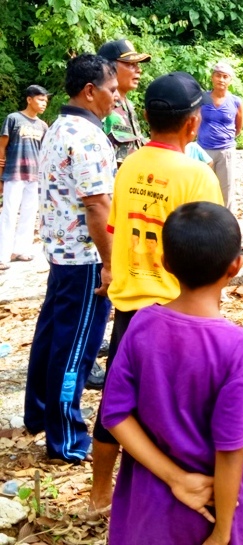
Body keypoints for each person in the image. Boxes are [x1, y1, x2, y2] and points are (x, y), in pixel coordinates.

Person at [101, 201, 243, 545]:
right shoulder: (238, 349)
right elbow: (230, 448)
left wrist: (174, 478)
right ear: (236, 266)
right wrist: (222, 531)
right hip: (209, 512)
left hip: (147, 504)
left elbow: (114, 414)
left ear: (165, 263)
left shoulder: (141, 325)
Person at [89, 72, 224, 512]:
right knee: (177, 410)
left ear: (145, 117)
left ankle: (99, 494)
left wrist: (113, 270)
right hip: (177, 308)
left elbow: (117, 228)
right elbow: (211, 253)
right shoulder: (197, 175)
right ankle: (180, 491)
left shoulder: (128, 165)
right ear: (193, 124)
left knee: (116, 405)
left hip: (129, 309)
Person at [23, 54, 119, 464]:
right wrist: (111, 263)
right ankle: (66, 439)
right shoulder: (86, 135)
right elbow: (98, 205)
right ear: (90, 91)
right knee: (76, 346)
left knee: (52, 335)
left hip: (62, 254)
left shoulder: (58, 127)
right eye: (112, 91)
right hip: (85, 260)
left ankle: (39, 414)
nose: (116, 98)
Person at [0, 85, 49, 270]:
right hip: (14, 172)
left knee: (29, 213)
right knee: (9, 213)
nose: (43, 104)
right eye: (40, 100)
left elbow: (44, 152)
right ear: (29, 99)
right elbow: (2, 147)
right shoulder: (13, 119)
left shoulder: (43, 126)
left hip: (34, 175)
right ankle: (2, 256)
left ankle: (21, 250)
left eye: (45, 101)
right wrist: (0, 176)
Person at [198, 61, 243, 209]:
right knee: (203, 188)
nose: (221, 80)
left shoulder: (236, 102)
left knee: (226, 190)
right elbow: (195, 120)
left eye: (225, 77)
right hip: (203, 150)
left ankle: (226, 225)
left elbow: (238, 127)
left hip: (226, 151)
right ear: (212, 77)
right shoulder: (202, 98)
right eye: (218, 76)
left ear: (230, 80)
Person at [97, 39, 151, 165]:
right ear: (108, 68)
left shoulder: (128, 105)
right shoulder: (101, 107)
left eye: (138, 64)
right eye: (131, 64)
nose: (139, 70)